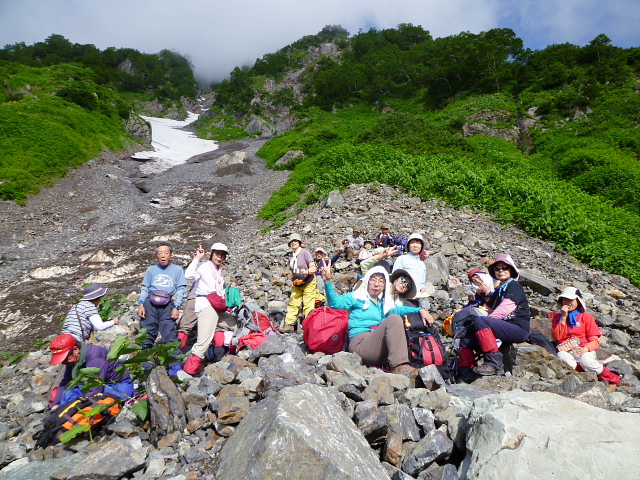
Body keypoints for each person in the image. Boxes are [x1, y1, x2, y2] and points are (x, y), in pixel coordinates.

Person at [321, 263, 433, 374]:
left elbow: (401, 309)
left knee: (397, 320)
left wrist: (420, 310)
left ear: (385, 286)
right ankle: (399, 366)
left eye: (381, 281)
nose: (376, 284)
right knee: (394, 319)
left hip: (377, 348)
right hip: (361, 345)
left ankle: (402, 364)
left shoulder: (384, 304)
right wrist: (327, 281)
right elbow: (334, 303)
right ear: (367, 281)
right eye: (373, 280)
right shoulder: (357, 297)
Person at [458, 254, 531, 378]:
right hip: (503, 328)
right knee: (465, 341)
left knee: (482, 322)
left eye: (505, 267)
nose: (501, 270)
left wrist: (481, 323)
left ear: (511, 270)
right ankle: (467, 372)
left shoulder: (515, 286)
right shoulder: (499, 290)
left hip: (518, 329)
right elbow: (489, 308)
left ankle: (493, 362)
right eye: (497, 269)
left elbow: (505, 309)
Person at [182, 243, 238, 375]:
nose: (220, 257)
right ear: (211, 253)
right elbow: (188, 276)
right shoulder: (203, 267)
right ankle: (188, 374)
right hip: (207, 306)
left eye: (222, 255)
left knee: (236, 324)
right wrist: (197, 258)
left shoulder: (220, 272)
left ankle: (220, 351)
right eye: (218, 254)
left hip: (218, 307)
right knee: (203, 342)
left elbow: (220, 291)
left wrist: (230, 289)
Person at [552, 287, 623, 384]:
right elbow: (557, 337)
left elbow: (595, 340)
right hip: (566, 350)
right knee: (564, 360)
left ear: (578, 301)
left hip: (583, 349)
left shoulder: (586, 317)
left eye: (571, 300)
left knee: (587, 362)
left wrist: (586, 349)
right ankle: (579, 378)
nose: (567, 302)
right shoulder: (558, 318)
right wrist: (563, 317)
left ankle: (614, 379)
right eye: (565, 299)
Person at [49, 334, 133, 409]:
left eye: (65, 358)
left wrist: (84, 406)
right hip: (99, 384)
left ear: (76, 349)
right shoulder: (72, 359)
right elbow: (64, 382)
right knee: (68, 392)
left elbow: (95, 389)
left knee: (106, 404)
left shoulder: (95, 358)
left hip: (118, 385)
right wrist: (57, 404)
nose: (63, 362)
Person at [137, 242, 186, 350]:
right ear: (157, 256)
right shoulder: (151, 270)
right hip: (150, 303)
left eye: (166, 253)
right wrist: (141, 304)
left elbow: (181, 289)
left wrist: (176, 307)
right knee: (146, 333)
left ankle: (174, 365)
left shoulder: (178, 270)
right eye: (160, 253)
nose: (163, 256)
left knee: (170, 334)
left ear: (171, 255)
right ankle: (143, 364)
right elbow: (145, 287)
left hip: (167, 304)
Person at [282, 234, 317, 333]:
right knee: (293, 302)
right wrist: (293, 277)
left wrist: (308, 271)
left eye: (295, 241)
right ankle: (289, 324)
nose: (293, 242)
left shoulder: (305, 253)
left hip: (309, 281)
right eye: (291, 241)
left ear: (299, 242)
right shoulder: (291, 256)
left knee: (308, 303)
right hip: (297, 283)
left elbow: (313, 267)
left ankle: (307, 325)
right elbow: (293, 269)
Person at [392, 233, 429, 308]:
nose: (415, 245)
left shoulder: (422, 265)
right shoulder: (402, 259)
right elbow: (394, 277)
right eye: (413, 242)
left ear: (421, 246)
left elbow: (422, 283)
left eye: (418, 243)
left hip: (417, 299)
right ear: (408, 245)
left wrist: (423, 289)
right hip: (403, 298)